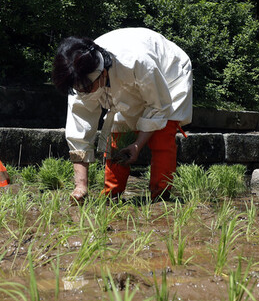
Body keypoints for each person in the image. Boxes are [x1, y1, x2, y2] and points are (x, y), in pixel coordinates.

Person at [52, 28, 193, 202]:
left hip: (169, 75)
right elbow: (79, 129)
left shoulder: (137, 62)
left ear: (102, 73)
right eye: (78, 89)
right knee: (118, 137)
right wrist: (80, 186)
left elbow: (158, 107)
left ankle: (161, 197)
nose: (83, 93)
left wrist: (138, 145)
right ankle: (111, 196)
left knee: (161, 136)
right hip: (129, 85)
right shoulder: (79, 73)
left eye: (87, 88)